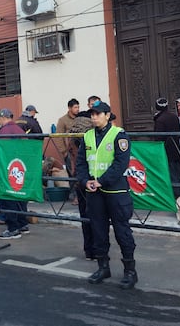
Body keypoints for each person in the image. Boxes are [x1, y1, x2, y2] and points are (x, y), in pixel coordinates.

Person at [75, 101, 137, 290]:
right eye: (91, 114)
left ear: (107, 115)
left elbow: (121, 163)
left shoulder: (119, 136)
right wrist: (86, 181)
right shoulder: (87, 137)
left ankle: (130, 271)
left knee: (122, 231)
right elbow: (81, 164)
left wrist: (101, 180)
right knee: (98, 231)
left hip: (115, 192)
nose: (93, 117)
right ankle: (103, 267)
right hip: (94, 192)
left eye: (97, 114)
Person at [0, 109, 31, 239]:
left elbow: (1, 151)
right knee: (20, 197)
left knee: (8, 197)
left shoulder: (4, 131)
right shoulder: (19, 129)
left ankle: (13, 228)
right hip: (21, 167)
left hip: (8, 168)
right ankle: (22, 224)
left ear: (2, 117)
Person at [154, 97, 180, 198]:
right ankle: (178, 194)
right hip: (176, 149)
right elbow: (179, 133)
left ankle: (174, 196)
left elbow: (159, 137)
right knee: (176, 174)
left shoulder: (160, 120)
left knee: (170, 174)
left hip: (165, 151)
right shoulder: (174, 117)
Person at [56, 98, 80, 169]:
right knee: (71, 172)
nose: (77, 109)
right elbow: (58, 136)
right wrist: (64, 152)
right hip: (69, 151)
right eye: (75, 107)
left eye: (78, 107)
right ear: (69, 108)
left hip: (80, 150)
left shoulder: (81, 118)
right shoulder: (62, 120)